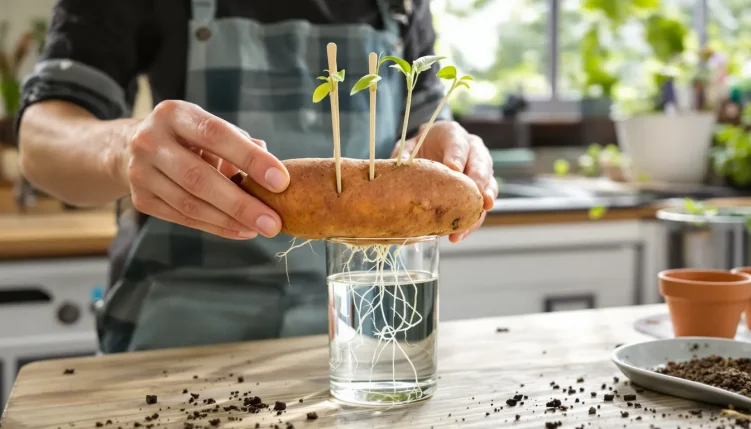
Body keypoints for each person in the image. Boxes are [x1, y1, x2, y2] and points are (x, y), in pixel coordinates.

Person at [16, 0, 497, 353]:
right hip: (180, 338)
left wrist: (445, 152)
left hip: (368, 339)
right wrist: (121, 148)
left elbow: (424, 124)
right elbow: (40, 141)